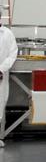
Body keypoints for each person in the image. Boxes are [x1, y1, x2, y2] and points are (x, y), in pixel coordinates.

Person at [0, 18, 18, 147]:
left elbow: (12, 54)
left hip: (1, 75)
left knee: (0, 104)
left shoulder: (7, 34)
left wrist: (1, 69)